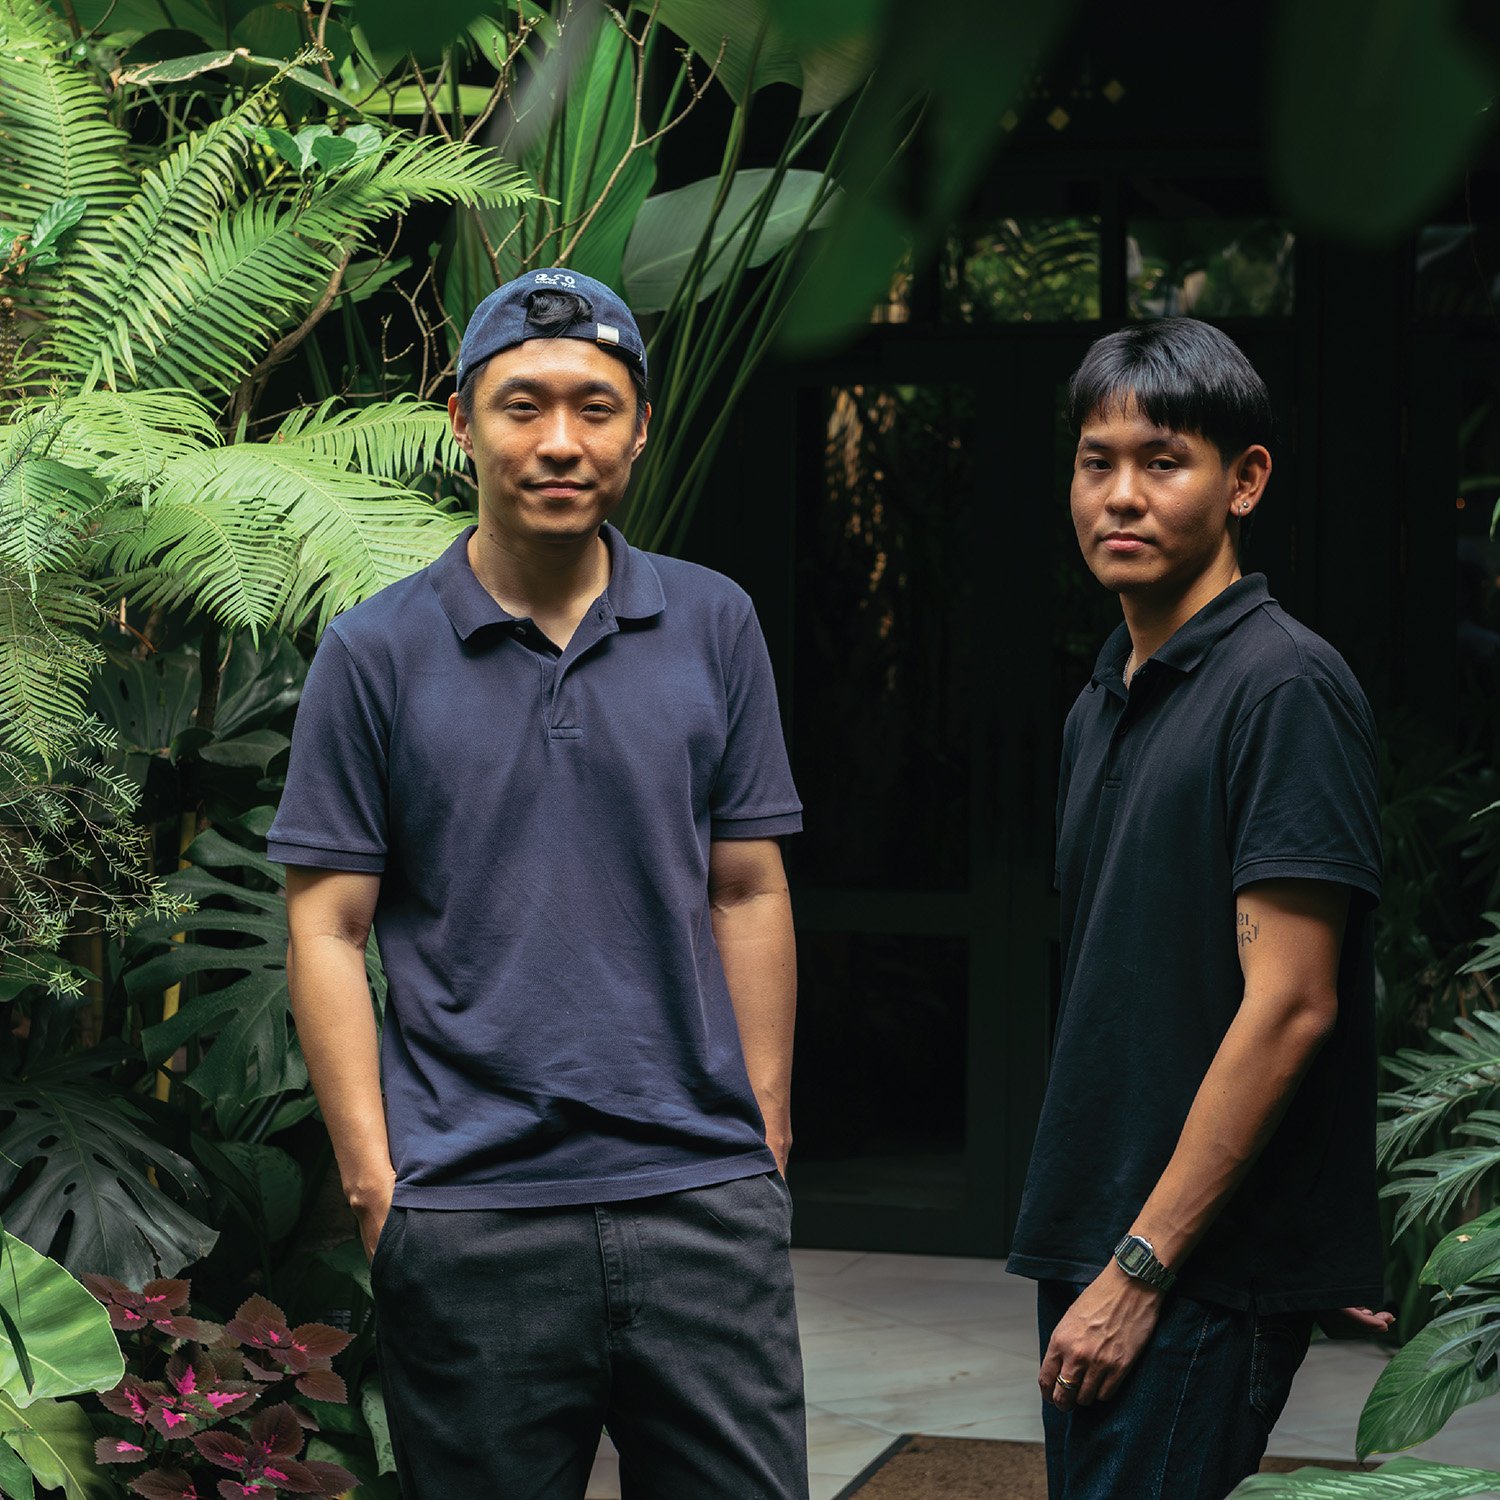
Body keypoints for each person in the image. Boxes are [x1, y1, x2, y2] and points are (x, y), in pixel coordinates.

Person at [268, 267, 808, 1499]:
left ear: (640, 426)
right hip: (471, 1214)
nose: (560, 441)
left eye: (594, 406)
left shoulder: (715, 623)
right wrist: (375, 1184)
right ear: (462, 422)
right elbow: (327, 924)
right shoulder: (373, 651)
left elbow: (748, 888)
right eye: (523, 405)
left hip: (702, 1202)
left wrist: (763, 1130)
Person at [1007, 318, 1394, 1499]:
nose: (1121, 495)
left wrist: (1142, 1265)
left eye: (1164, 461)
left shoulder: (1283, 688)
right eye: (1097, 461)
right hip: (1097, 1227)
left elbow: (1292, 1004)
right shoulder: (1103, 700)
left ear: (1245, 481)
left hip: (1191, 1266)